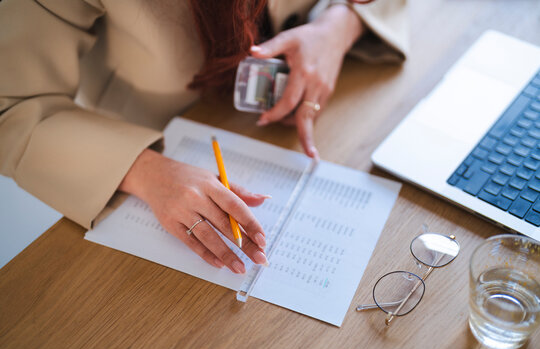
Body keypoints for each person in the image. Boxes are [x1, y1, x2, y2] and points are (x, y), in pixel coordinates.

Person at [0, 0, 408, 274]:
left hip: (319, 107)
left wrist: (340, 25)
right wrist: (144, 172)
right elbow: (10, 106)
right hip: (149, 137)